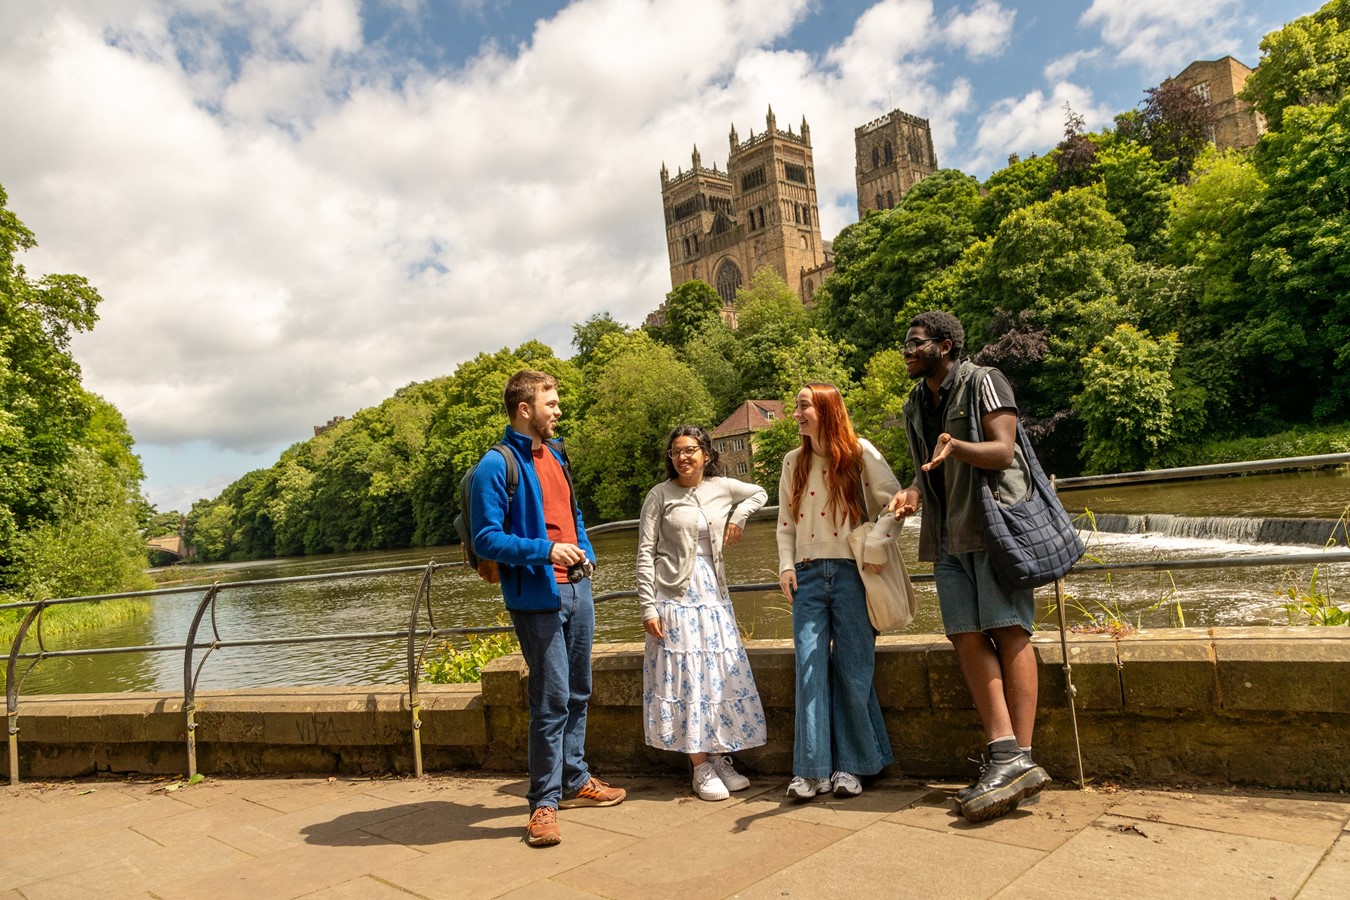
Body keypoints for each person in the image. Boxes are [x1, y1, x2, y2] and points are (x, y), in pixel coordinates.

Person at [887, 311, 1051, 824]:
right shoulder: (917, 402)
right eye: (906, 344)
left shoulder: (984, 381)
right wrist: (912, 492)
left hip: (994, 526)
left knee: (1009, 630)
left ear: (945, 344)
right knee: (965, 635)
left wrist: (957, 446)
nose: (907, 351)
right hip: (946, 535)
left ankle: (1018, 760)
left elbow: (1004, 452)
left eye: (915, 343)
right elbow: (923, 469)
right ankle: (1005, 754)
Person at [469, 369, 625, 847]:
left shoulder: (556, 454)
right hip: (537, 596)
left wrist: (587, 554)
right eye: (550, 403)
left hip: (577, 590)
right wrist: (546, 550)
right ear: (525, 409)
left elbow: (573, 514)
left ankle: (576, 780)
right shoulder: (496, 466)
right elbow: (485, 538)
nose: (558, 411)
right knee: (550, 699)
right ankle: (542, 804)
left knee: (579, 691)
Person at [777, 383, 902, 800]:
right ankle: (810, 770)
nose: (796, 413)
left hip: (852, 573)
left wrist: (877, 546)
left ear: (827, 410)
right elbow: (785, 524)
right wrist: (785, 565)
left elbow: (896, 502)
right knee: (809, 670)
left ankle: (853, 766)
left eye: (803, 406)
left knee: (854, 670)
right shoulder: (792, 461)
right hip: (808, 576)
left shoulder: (859, 452)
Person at [637, 425, 769, 801]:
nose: (682, 457)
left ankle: (720, 755)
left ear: (706, 455)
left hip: (713, 596)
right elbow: (645, 555)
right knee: (688, 678)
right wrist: (648, 606)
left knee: (717, 676)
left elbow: (759, 492)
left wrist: (739, 517)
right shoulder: (659, 495)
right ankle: (700, 766)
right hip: (675, 597)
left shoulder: (722, 486)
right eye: (676, 451)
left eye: (690, 450)